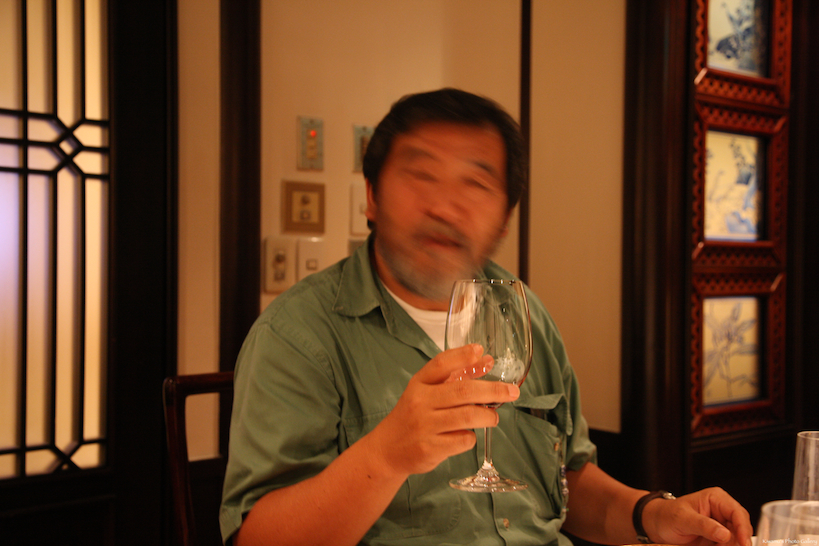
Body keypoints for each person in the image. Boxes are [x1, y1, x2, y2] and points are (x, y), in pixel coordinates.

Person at [219, 88, 752, 546]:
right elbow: (257, 538)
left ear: (503, 220)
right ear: (372, 197)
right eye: (421, 174)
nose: (445, 206)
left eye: (475, 184)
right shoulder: (299, 335)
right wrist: (386, 456)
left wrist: (652, 514)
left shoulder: (521, 312)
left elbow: (567, 479)